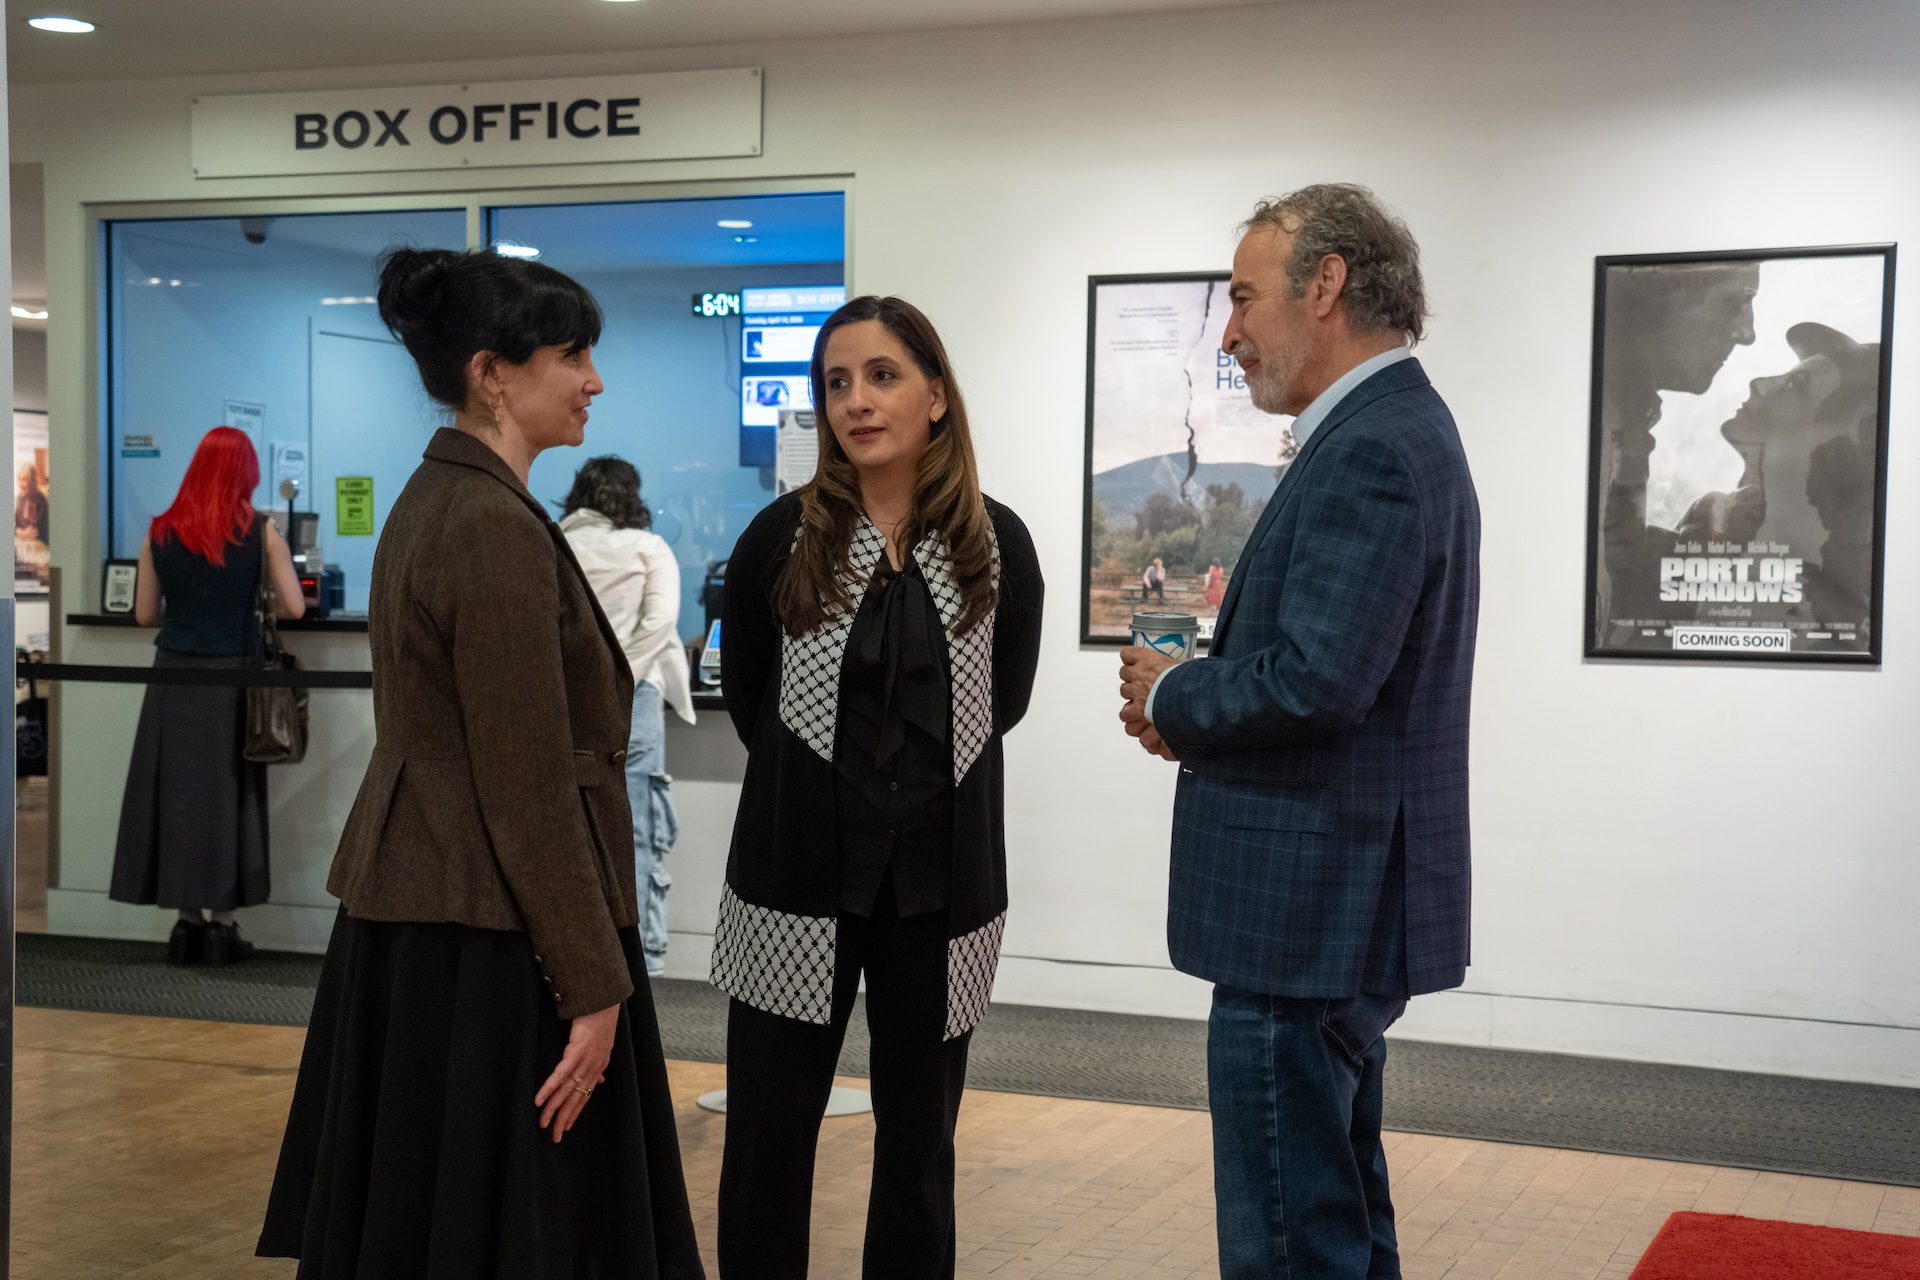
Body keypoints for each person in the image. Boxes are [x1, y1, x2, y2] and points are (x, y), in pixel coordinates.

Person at [258, 247, 703, 1279]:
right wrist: (594, 985)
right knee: (512, 1226)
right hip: (494, 932)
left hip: (439, 914)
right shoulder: (491, 525)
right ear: (491, 372)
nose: (593, 380)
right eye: (571, 354)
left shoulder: (441, 499)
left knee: (431, 1217)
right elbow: (527, 781)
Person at [1117, 184, 1481, 1280]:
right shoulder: (1388, 429)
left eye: (1240, 299)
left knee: (1290, 1235)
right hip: (1333, 908)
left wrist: (1175, 693)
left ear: (1326, 284)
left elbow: (1323, 679)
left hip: (1309, 915)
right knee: (1335, 1214)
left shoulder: (1370, 447)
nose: (1225, 335)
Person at [711, 295, 1043, 1279]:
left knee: (919, 1151)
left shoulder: (995, 543)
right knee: (767, 1145)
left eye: (883, 375)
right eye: (836, 382)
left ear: (937, 395)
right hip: (793, 881)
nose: (856, 400)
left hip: (940, 894)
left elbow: (1005, 700)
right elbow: (752, 702)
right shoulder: (781, 536)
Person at [110, 425, 303, 965]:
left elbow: (146, 614)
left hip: (173, 679)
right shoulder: (259, 532)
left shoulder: (159, 531)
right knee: (229, 800)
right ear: (246, 473)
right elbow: (294, 607)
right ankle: (223, 926)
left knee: (175, 801)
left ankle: (184, 925)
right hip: (233, 680)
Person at [560, 455, 694, 977]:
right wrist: (622, 679)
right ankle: (641, 958)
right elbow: (660, 622)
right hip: (632, 702)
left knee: (567, 829)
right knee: (635, 828)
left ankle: (577, 958)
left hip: (565, 699)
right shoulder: (647, 547)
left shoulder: (555, 543)